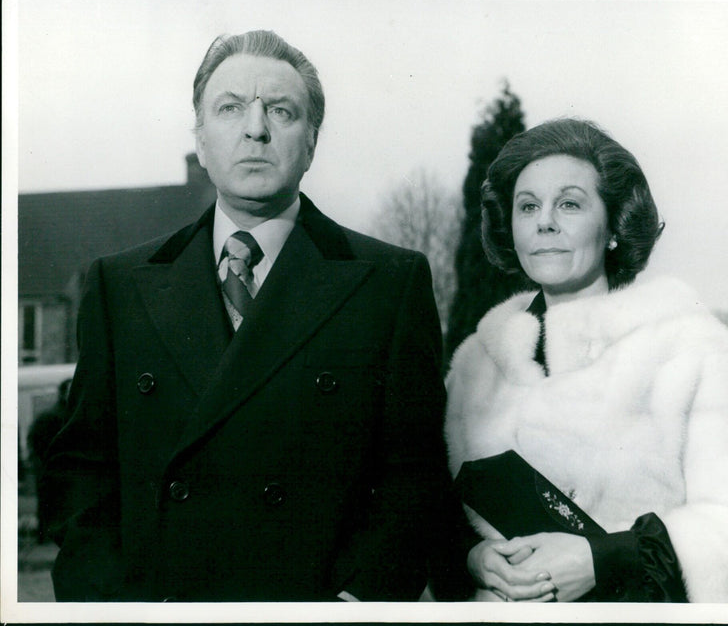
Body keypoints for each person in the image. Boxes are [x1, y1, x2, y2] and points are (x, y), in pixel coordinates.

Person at [42, 29, 466, 602]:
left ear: (311, 142)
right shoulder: (118, 286)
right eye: (231, 108)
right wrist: (109, 607)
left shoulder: (388, 282)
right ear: (200, 135)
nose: (256, 128)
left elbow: (413, 477)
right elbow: (83, 475)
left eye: (282, 111)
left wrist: (357, 606)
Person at [444, 118, 728, 603]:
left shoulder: (689, 347)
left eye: (570, 204)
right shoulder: (476, 364)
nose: (544, 221)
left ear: (615, 225)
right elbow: (433, 517)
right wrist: (471, 558)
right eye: (528, 206)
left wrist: (603, 560)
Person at [26, 378, 71, 543]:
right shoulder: (53, 416)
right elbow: (35, 440)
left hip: (55, 467)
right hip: (51, 467)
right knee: (50, 502)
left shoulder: (62, 414)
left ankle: (46, 535)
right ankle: (44, 535)